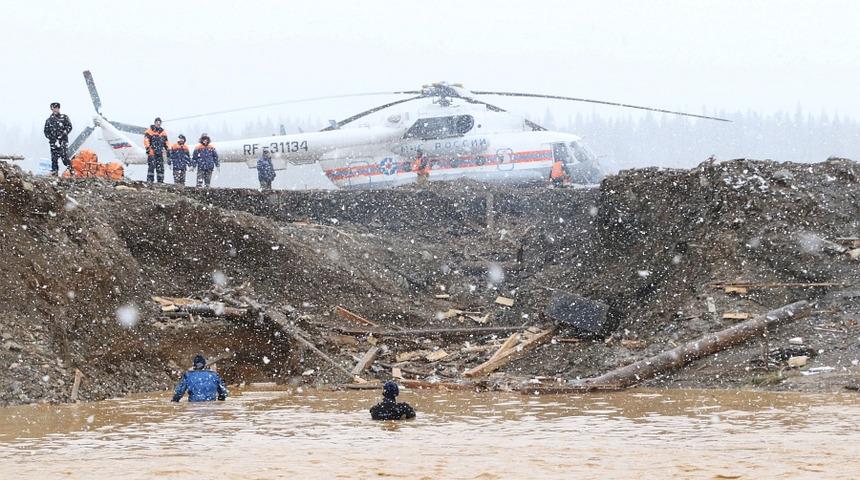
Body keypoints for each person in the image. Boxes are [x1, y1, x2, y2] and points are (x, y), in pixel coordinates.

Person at [43, 102, 73, 176]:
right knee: (54, 158)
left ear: (59, 108)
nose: (55, 109)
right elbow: (46, 131)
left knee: (64, 157)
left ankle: (71, 170)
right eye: (53, 108)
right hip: (53, 142)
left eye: (56, 108)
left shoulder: (64, 117)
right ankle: (54, 172)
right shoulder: (49, 120)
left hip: (62, 141)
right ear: (51, 109)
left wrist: (64, 133)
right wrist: (51, 137)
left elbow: (69, 126)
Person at [143, 117, 169, 183]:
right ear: (155, 123)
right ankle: (150, 181)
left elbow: (166, 142)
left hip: (160, 152)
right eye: (157, 122)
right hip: (152, 152)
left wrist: (168, 149)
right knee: (151, 167)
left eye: (159, 123)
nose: (158, 124)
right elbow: (146, 140)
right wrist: (147, 148)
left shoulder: (163, 132)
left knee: (160, 168)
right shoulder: (149, 131)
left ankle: (160, 181)